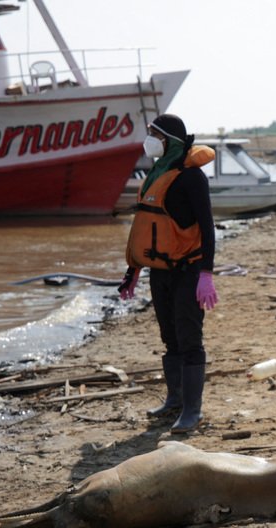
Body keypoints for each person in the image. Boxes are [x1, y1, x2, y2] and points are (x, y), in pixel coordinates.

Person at [119, 113, 218, 434]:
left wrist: (207, 273)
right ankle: (174, 399)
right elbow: (144, 229)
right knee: (169, 337)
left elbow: (207, 227)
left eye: (153, 134)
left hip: (188, 270)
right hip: (159, 273)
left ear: (170, 140)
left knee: (190, 339)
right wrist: (132, 271)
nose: (148, 140)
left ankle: (192, 411)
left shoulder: (191, 178)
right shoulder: (155, 174)